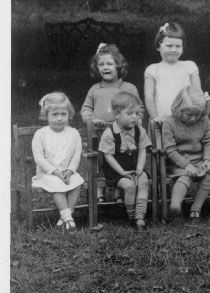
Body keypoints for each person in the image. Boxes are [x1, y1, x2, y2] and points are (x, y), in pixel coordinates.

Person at [81, 43, 142, 202]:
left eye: (109, 63)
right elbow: (86, 109)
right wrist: (92, 120)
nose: (105, 67)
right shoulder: (95, 89)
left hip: (123, 135)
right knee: (99, 161)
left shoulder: (129, 88)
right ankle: (99, 192)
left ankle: (119, 192)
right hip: (99, 134)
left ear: (119, 65)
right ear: (96, 68)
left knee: (122, 160)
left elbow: (139, 109)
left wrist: (136, 120)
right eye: (101, 64)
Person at [162, 87, 210, 225]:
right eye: (189, 114)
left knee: (209, 173)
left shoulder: (204, 121)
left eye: (197, 114)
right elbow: (170, 149)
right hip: (178, 162)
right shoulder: (169, 122)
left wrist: (208, 160)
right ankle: (175, 207)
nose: (193, 118)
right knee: (185, 176)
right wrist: (186, 165)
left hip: (199, 160)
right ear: (179, 108)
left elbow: (209, 142)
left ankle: (195, 209)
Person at [98, 92, 152, 231]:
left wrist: (139, 170)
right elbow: (108, 156)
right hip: (116, 171)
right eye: (129, 113)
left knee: (143, 181)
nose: (134, 117)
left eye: (137, 113)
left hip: (135, 167)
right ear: (116, 114)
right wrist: (122, 172)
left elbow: (142, 150)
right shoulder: (110, 133)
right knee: (129, 186)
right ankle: (131, 216)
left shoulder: (139, 131)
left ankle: (140, 216)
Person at [31, 92, 84, 231]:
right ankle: (68, 219)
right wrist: (56, 172)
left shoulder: (74, 133)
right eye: (54, 114)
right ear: (46, 115)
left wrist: (70, 171)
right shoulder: (41, 134)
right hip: (47, 174)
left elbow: (76, 156)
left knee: (77, 181)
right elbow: (39, 158)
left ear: (69, 114)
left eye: (63, 114)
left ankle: (64, 218)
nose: (59, 118)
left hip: (67, 173)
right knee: (56, 183)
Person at [144, 22, 209, 123]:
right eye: (169, 46)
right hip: (162, 119)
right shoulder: (152, 69)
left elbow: (197, 93)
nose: (174, 50)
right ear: (158, 46)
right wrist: (155, 117)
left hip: (186, 119)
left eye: (178, 46)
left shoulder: (189, 66)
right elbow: (149, 97)